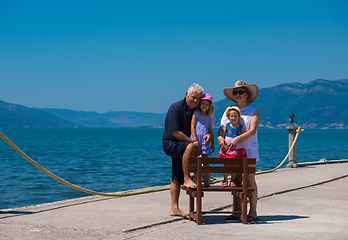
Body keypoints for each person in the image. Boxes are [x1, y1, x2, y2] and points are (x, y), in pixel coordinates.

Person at [162, 83, 211, 219]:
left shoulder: (195, 112)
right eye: (193, 97)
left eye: (198, 99)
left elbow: (201, 127)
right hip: (171, 143)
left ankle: (174, 208)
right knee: (191, 147)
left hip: (183, 146)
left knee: (175, 176)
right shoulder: (176, 108)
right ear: (186, 95)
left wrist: (209, 135)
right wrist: (193, 142)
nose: (195, 101)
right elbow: (176, 133)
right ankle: (188, 178)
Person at [218, 80, 260, 221]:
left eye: (240, 92)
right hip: (232, 151)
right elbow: (221, 129)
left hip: (249, 148)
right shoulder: (228, 110)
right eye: (235, 92)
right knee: (235, 179)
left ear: (247, 94)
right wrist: (220, 140)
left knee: (249, 180)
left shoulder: (253, 111)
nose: (237, 94)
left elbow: (252, 130)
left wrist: (238, 139)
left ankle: (252, 212)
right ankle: (236, 211)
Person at [190, 93, 215, 187]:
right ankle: (198, 181)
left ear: (209, 106)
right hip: (196, 140)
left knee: (206, 162)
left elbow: (211, 131)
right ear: (200, 104)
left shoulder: (209, 117)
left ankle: (207, 180)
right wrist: (194, 139)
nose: (204, 106)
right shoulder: (196, 113)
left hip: (205, 142)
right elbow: (192, 127)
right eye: (203, 103)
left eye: (207, 104)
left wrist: (213, 144)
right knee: (196, 162)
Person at [218, 106, 247, 187]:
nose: (233, 118)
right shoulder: (226, 125)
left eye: (235, 116)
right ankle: (225, 180)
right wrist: (223, 144)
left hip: (236, 149)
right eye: (231, 116)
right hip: (227, 149)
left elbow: (241, 137)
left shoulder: (241, 127)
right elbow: (223, 136)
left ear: (238, 117)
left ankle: (232, 180)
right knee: (226, 165)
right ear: (228, 117)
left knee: (234, 165)